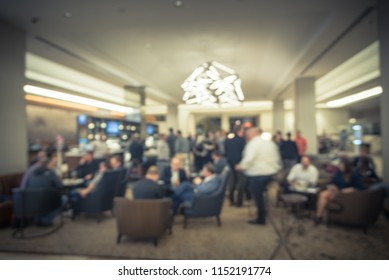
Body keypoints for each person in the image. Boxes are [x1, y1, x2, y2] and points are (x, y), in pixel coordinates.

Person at [236, 127, 281, 225]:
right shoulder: (270, 143)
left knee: (258, 196)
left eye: (247, 135)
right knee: (263, 194)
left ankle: (261, 218)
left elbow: (249, 158)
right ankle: (264, 211)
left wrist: (241, 166)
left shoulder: (252, 144)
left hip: (258, 174)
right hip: (271, 173)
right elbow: (277, 158)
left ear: (251, 135)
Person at [314, 157, 362, 225]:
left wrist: (349, 190)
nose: (340, 166)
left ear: (347, 166)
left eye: (342, 165)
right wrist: (331, 186)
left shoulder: (354, 174)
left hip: (346, 195)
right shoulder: (338, 172)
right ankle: (318, 217)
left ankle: (319, 217)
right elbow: (331, 182)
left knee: (326, 196)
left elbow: (359, 188)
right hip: (335, 192)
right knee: (322, 194)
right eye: (339, 165)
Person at [25, 155, 64, 226]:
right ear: (48, 164)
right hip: (44, 201)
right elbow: (60, 186)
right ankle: (46, 220)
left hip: (30, 202)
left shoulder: (32, 173)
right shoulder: (50, 172)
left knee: (41, 198)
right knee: (64, 199)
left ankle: (37, 219)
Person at [225, 126, 247, 207]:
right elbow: (244, 153)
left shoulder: (228, 140)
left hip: (231, 164)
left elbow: (226, 152)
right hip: (240, 164)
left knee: (232, 183)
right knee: (241, 183)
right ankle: (239, 202)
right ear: (240, 131)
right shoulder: (242, 140)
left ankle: (231, 201)